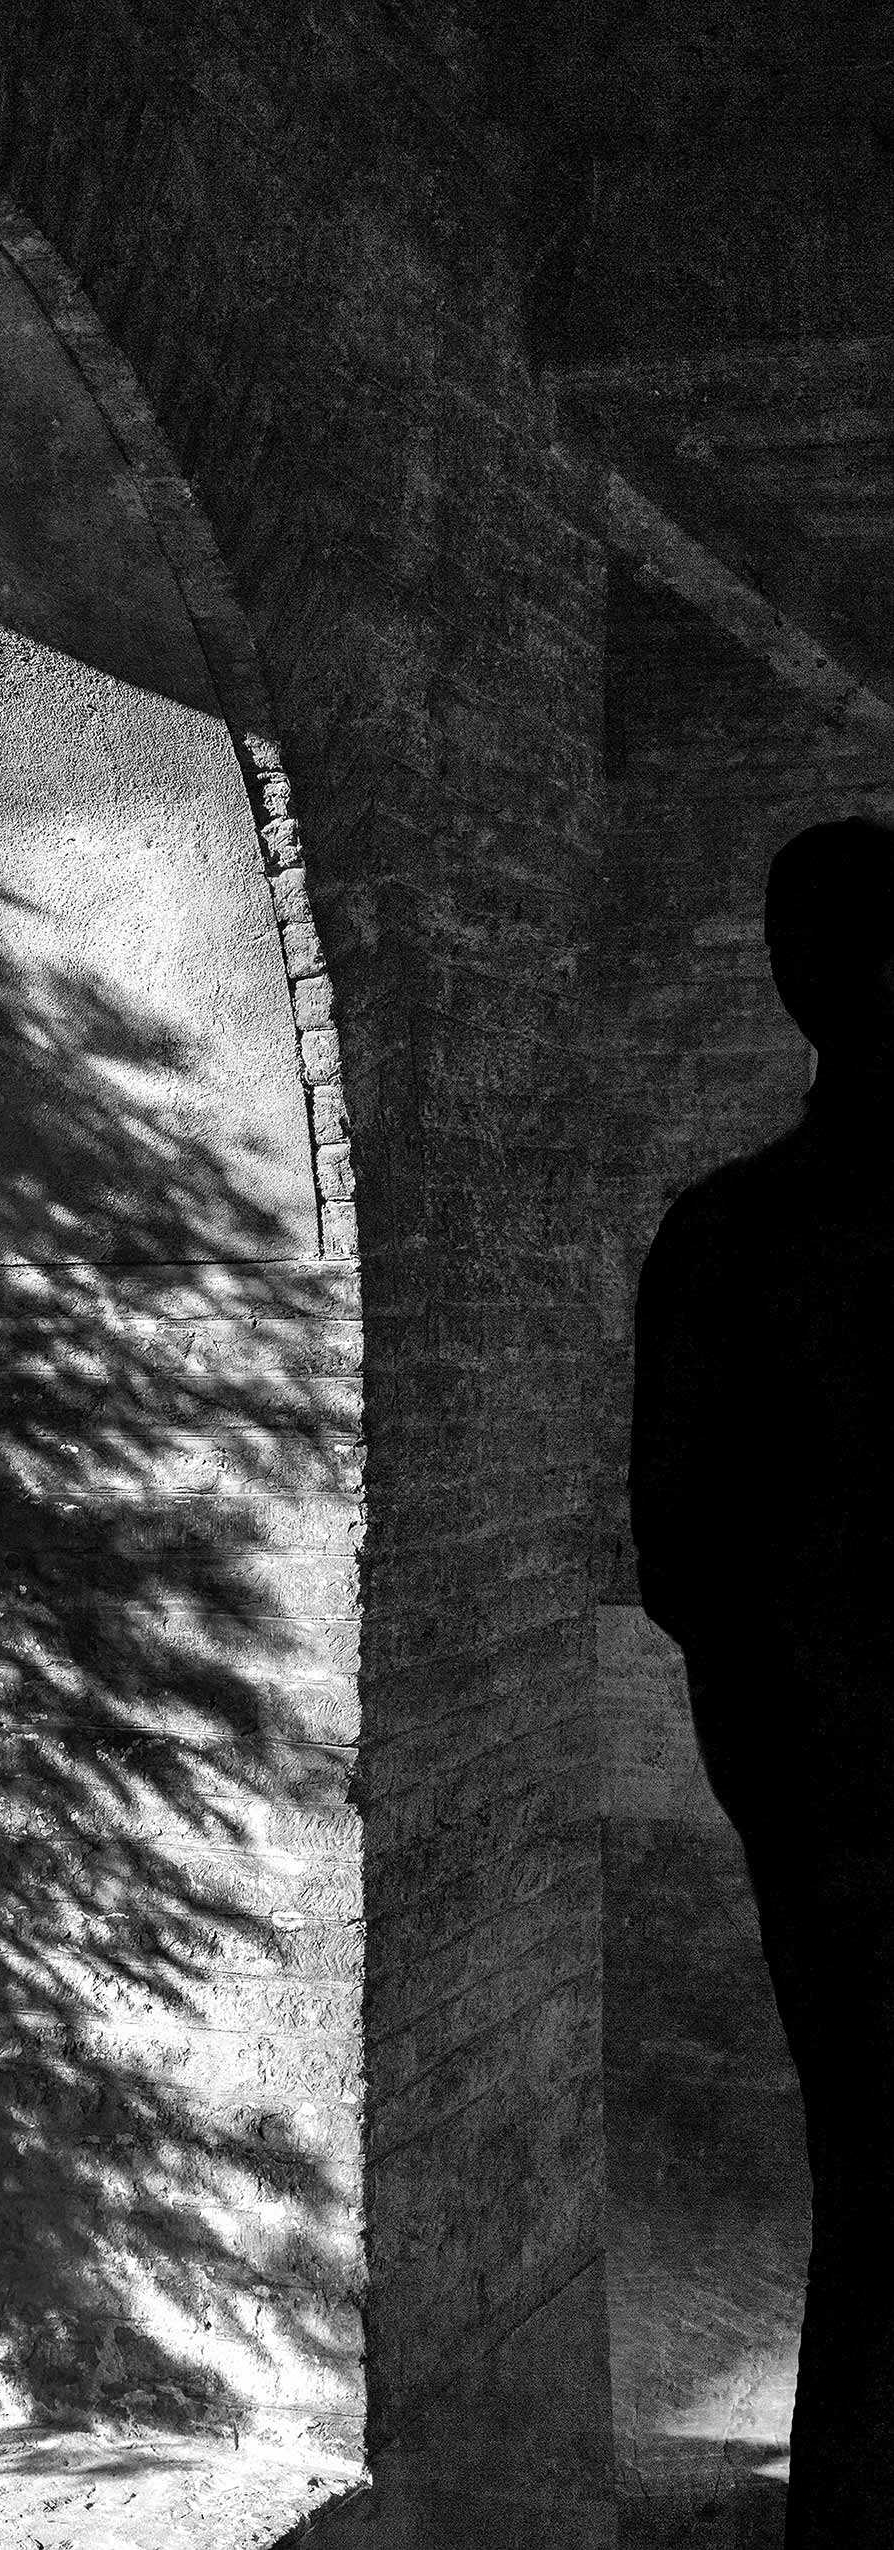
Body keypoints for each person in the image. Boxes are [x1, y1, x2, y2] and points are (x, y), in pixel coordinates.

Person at [631, 817, 894, 2548]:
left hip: (823, 1803)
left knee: (870, 2184)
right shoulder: (735, 1235)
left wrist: (791, 1771)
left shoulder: (723, 1235)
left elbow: (684, 1565)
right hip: (836, 1798)